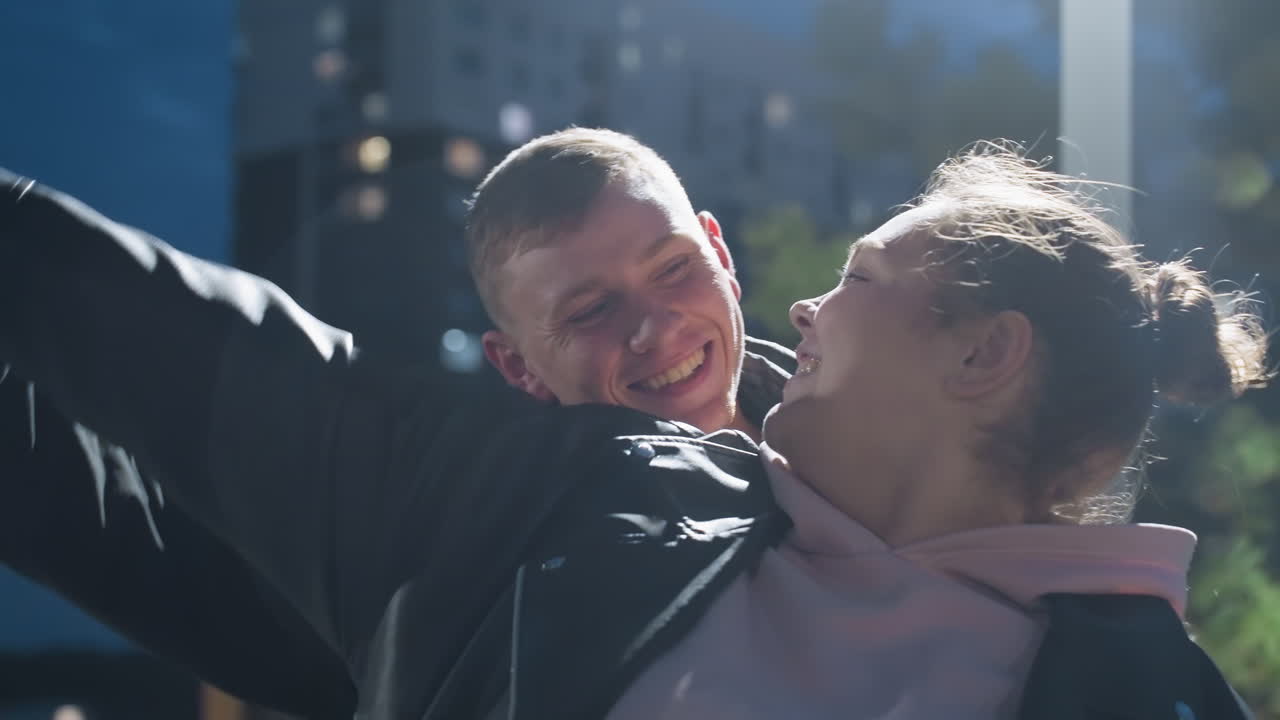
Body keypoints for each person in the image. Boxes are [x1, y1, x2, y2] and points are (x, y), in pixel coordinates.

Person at [0, 140, 1261, 719]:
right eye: (589, 312)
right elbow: (143, 371)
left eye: (859, 277)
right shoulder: (508, 512)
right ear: (518, 367)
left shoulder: (1147, 691)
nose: (804, 301)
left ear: (982, 356)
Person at [0, 128, 790, 718]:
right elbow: (116, 452)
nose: (656, 328)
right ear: (516, 367)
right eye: (590, 311)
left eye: (675, 267)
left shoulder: (866, 436)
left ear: (718, 250)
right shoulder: (446, 510)